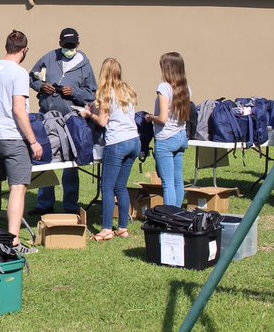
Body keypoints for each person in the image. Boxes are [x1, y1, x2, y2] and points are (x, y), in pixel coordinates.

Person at [0, 30, 45, 254]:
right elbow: (18, 110)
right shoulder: (20, 73)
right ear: (25, 51)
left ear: (6, 47)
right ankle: (13, 242)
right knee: (18, 187)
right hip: (13, 137)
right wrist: (33, 141)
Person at [28, 27, 96, 214]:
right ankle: (44, 204)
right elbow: (31, 78)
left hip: (72, 119)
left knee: (71, 163)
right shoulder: (49, 58)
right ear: (59, 44)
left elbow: (92, 93)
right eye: (66, 45)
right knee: (46, 159)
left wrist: (74, 93)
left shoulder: (84, 64)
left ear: (78, 45)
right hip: (47, 117)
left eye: (72, 46)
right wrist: (42, 86)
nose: (69, 48)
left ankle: (71, 206)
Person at [82, 58, 140, 241]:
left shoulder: (105, 92)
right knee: (121, 186)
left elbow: (103, 121)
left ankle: (106, 228)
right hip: (134, 141)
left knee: (107, 187)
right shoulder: (128, 90)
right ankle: (123, 228)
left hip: (117, 143)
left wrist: (89, 114)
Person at [145, 52, 192, 210]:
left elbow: (163, 118)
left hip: (166, 139)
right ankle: (178, 213)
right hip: (180, 136)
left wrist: (149, 117)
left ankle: (170, 217)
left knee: (168, 183)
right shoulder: (186, 88)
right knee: (179, 181)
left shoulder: (164, 88)